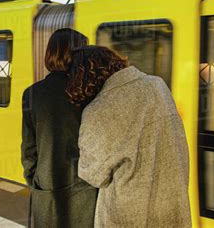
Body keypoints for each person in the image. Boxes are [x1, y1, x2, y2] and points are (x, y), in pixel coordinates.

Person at [66, 46, 191, 227]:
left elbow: (93, 175)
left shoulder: (99, 110)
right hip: (172, 209)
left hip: (129, 217)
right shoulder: (158, 85)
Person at [21, 29, 97, 228]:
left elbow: (29, 148)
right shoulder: (89, 91)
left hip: (47, 186)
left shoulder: (32, 94)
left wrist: (35, 180)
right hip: (85, 188)